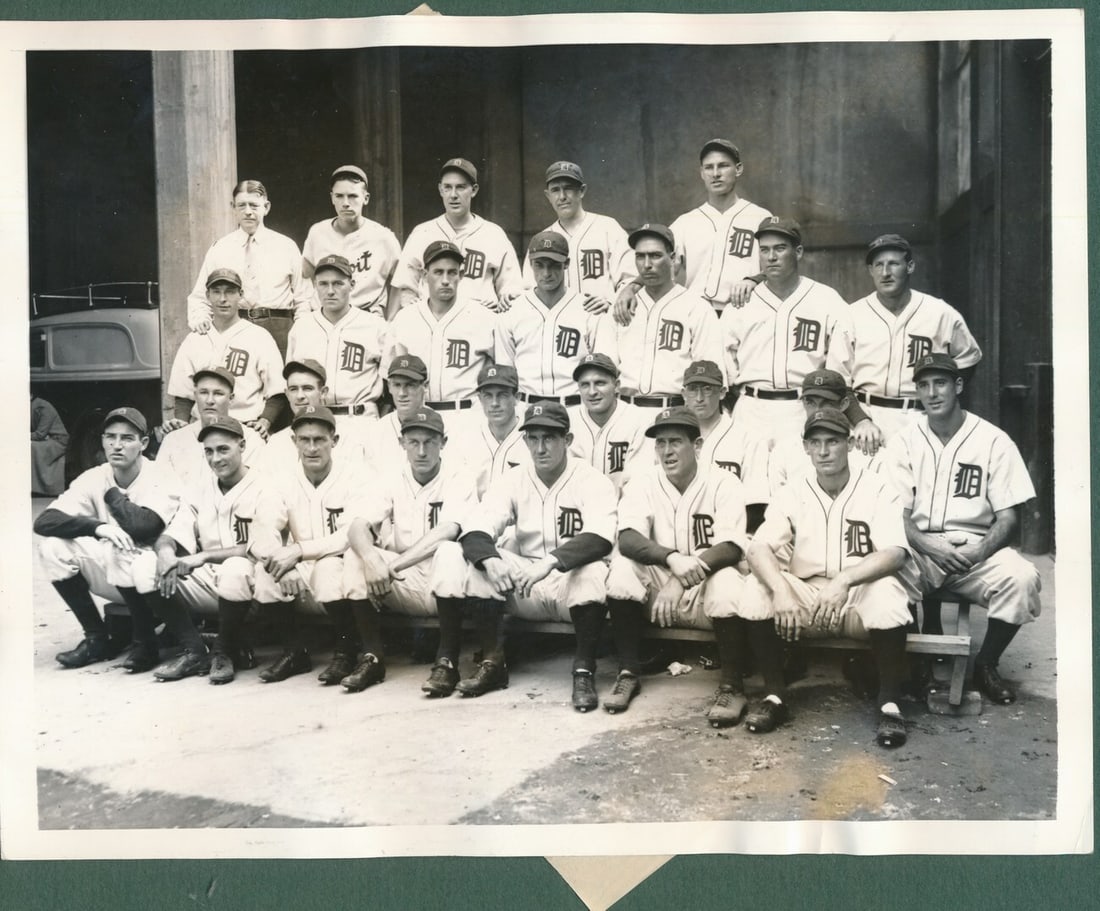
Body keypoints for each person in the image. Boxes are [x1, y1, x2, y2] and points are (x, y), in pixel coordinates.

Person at [744, 407, 917, 748]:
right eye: (815, 442)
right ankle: (775, 696)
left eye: (833, 441)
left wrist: (845, 581)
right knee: (756, 587)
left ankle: (890, 703)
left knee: (888, 593)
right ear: (805, 447)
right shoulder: (792, 490)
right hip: (806, 597)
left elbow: (895, 552)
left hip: (856, 596)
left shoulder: (878, 487)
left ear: (850, 443)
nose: (823, 451)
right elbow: (757, 548)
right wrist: (780, 590)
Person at [430, 402, 617, 708]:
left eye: (549, 438)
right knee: (478, 562)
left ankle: (583, 670)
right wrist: (490, 560)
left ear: (567, 440)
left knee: (594, 570)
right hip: (525, 584)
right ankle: (493, 662)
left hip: (568, 583)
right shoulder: (514, 479)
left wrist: (549, 562)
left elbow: (600, 538)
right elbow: (477, 528)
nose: (540, 447)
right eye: (533, 438)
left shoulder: (592, 479)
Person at [884, 353, 1041, 705]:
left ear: (958, 385)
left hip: (975, 546)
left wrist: (979, 552)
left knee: (1022, 579)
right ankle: (915, 663)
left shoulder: (994, 440)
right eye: (923, 385)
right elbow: (896, 515)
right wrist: (930, 546)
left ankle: (986, 664)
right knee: (882, 578)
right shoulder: (904, 441)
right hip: (918, 548)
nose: (932, 393)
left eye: (940, 383)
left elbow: (1009, 518)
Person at [606, 407, 749, 716]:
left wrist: (680, 577)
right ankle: (628, 672)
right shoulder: (643, 481)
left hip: (704, 589)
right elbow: (628, 538)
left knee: (728, 582)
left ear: (697, 446)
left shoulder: (724, 482)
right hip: (659, 596)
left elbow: (732, 547)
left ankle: (732, 687)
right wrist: (670, 560)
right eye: (660, 443)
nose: (666, 451)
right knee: (621, 570)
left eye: (675, 442)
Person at [720, 217, 875, 472]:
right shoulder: (742, 302)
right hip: (751, 409)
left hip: (802, 409)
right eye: (765, 250)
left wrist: (857, 418)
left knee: (799, 486)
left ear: (798, 252)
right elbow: (725, 365)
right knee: (751, 490)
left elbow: (839, 373)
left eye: (780, 248)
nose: (771, 257)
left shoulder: (826, 299)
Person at [34, 407, 181, 672]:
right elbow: (44, 522)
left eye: (127, 438)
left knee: (119, 549)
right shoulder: (94, 476)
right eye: (110, 437)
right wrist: (97, 527)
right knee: (52, 548)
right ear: (102, 440)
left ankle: (144, 642)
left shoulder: (161, 473)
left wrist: (111, 496)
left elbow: (143, 527)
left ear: (143, 443)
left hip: (161, 578)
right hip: (118, 573)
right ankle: (96, 638)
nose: (117, 445)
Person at [345, 408, 477, 697]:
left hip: (450, 583)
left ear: (443, 442)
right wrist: (371, 558)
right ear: (401, 443)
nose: (421, 450)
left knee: (449, 552)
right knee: (354, 555)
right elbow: (357, 525)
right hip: (405, 580)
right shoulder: (391, 476)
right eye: (413, 442)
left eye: (429, 442)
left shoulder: (460, 475)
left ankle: (447, 661)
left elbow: (449, 529)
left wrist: (393, 565)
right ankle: (372, 657)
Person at [131, 416, 269, 683]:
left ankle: (223, 651)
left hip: (254, 587)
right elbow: (173, 532)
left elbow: (259, 548)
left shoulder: (265, 486)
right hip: (209, 581)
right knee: (144, 565)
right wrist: (166, 553)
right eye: (209, 451)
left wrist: (203, 555)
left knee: (235, 567)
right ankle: (193, 649)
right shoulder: (200, 487)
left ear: (242, 446)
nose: (215, 458)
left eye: (223, 449)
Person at [249, 405, 374, 686]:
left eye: (319, 439)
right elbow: (263, 525)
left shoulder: (355, 474)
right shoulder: (281, 478)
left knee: (328, 569)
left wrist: (298, 550)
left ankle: (346, 650)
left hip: (345, 564)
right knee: (265, 572)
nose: (312, 447)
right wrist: (281, 561)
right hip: (301, 565)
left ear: (335, 441)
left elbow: (349, 535)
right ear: (294, 442)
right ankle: (295, 651)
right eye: (304, 440)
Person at [827, 233, 983, 442]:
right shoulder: (852, 315)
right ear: (870, 270)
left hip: (921, 417)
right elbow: (837, 379)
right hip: (867, 419)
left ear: (910, 266)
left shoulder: (940, 313)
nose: (885, 273)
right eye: (879, 265)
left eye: (893, 264)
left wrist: (940, 405)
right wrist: (860, 420)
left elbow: (968, 359)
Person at [615, 139, 770, 321]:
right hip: (697, 315)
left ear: (738, 169)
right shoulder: (686, 223)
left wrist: (753, 280)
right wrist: (630, 287)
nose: (716, 174)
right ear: (702, 173)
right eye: (709, 167)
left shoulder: (759, 217)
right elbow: (660, 263)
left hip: (744, 311)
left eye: (723, 166)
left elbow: (776, 269)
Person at [593, 224, 723, 409]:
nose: (647, 264)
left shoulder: (697, 307)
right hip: (626, 410)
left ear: (672, 259)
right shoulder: (621, 306)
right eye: (640, 256)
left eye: (655, 255)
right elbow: (604, 368)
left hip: (677, 409)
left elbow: (710, 371)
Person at [186, 180, 311, 358]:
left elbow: (304, 297)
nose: (248, 212)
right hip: (235, 325)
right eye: (241, 206)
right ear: (233, 207)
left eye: (254, 205)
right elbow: (199, 296)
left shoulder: (286, 246)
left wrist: (300, 332)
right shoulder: (220, 248)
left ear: (266, 207)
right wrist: (200, 319)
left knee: (279, 383)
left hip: (279, 328)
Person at [286, 253, 390, 460]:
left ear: (352, 284)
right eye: (323, 284)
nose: (330, 291)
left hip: (360, 419)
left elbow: (389, 382)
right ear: (315, 286)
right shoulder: (302, 327)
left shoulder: (375, 326)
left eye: (338, 283)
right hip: (314, 422)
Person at [389, 240, 495, 429]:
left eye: (452, 272)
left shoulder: (484, 318)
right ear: (424, 275)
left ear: (461, 275)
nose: (445, 280)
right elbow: (390, 378)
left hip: (468, 415)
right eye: (438, 272)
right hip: (419, 417)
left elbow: (501, 373)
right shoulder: (405, 319)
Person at [394, 158, 522, 313]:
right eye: (448, 187)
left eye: (461, 187)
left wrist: (503, 305)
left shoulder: (493, 234)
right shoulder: (422, 233)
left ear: (474, 190)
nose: (453, 195)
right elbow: (405, 289)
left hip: (480, 323)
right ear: (440, 190)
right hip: (433, 324)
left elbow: (512, 291)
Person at [168, 268, 286, 436]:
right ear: (207, 295)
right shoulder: (194, 339)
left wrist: (265, 422)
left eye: (230, 292)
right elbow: (183, 394)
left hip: (245, 427)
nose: (223, 299)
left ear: (241, 294)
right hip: (202, 428)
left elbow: (277, 391)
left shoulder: (259, 337)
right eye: (216, 292)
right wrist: (182, 425)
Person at [496, 231, 600, 405]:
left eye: (553, 265)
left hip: (574, 406)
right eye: (539, 265)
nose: (546, 273)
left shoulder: (588, 309)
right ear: (530, 264)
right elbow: (506, 372)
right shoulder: (512, 310)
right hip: (526, 407)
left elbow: (601, 369)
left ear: (566, 264)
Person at [521, 161, 634, 314]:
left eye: (568, 188)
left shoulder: (608, 228)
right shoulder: (541, 240)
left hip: (603, 319)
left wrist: (611, 299)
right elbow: (529, 289)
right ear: (548, 195)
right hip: (561, 327)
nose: (562, 196)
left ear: (581, 191)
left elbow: (631, 279)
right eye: (555, 190)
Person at [301, 165, 402, 320]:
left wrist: (391, 320)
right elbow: (305, 276)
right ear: (332, 198)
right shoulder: (317, 232)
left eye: (353, 196)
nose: (345, 203)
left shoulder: (383, 237)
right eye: (339, 196)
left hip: (367, 316)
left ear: (365, 198)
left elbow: (400, 281)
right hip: (324, 318)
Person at [680, 359, 767, 529]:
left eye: (707, 390)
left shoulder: (749, 438)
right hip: (683, 530)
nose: (699, 398)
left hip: (733, 532)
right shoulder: (673, 438)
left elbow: (756, 505)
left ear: (722, 392)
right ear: (683, 393)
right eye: (693, 390)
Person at [156, 366, 266, 494]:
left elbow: (255, 488)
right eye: (203, 392)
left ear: (231, 398)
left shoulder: (251, 439)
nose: (209, 401)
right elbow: (160, 489)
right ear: (195, 395)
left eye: (218, 393)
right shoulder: (174, 440)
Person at [766, 368, 874, 497]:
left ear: (844, 404)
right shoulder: (783, 451)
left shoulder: (864, 449)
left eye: (826, 403)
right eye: (810, 403)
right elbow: (780, 508)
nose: (817, 411)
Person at [567, 353, 653, 495]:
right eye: (585, 385)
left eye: (600, 383)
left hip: (627, 510)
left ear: (617, 386)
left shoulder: (639, 420)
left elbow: (639, 482)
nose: (592, 392)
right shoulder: (569, 421)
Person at [451, 363, 531, 501]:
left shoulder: (532, 440)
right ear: (480, 399)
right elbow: (459, 496)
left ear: (517, 398)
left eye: (502, 395)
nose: (494, 403)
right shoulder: (467, 440)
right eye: (488, 396)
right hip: (475, 518)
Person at [364, 354, 433, 473]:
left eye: (410, 385)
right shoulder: (376, 431)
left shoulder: (441, 426)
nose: (402, 393)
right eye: (397, 385)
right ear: (389, 387)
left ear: (425, 386)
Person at [31, 391, 69, 496]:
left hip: (58, 441)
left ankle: (43, 488)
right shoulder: (32, 405)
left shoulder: (43, 407)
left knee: (31, 447)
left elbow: (39, 434)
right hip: (47, 439)